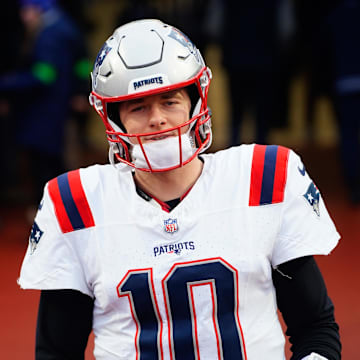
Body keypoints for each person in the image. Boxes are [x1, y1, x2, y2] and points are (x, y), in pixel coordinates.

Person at [18, 19, 341, 359]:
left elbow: (315, 328)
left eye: (170, 101)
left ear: (195, 101)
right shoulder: (76, 203)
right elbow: (56, 352)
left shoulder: (264, 179)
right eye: (138, 107)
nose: (157, 118)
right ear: (114, 120)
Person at [0, 0, 90, 206]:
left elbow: (45, 75)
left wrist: (6, 83)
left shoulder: (49, 33)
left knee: (47, 165)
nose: (23, 18)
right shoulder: (68, 25)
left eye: (25, 11)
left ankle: (49, 214)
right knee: (64, 163)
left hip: (45, 111)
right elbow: (83, 63)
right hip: (64, 108)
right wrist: (80, 90)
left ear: (36, 9)